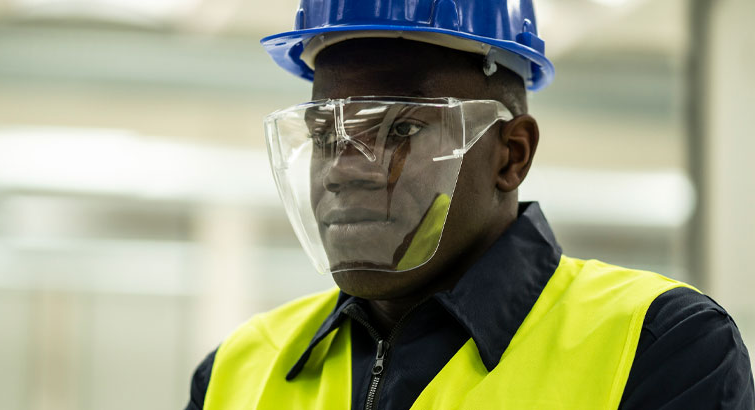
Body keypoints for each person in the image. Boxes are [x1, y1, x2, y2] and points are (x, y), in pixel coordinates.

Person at [186, 1, 754, 409]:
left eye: (402, 127)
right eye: (324, 135)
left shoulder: (657, 344)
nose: (343, 169)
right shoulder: (237, 372)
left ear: (512, 154)